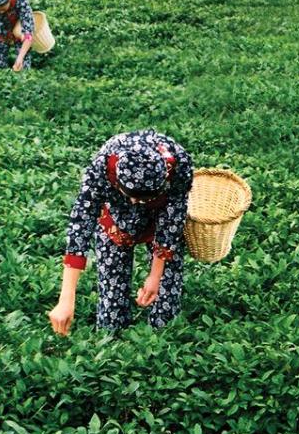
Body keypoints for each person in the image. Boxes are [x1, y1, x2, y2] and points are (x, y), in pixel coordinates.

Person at [49, 130, 194, 335]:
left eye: (145, 198)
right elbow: (80, 225)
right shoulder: (103, 165)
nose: (137, 203)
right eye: (133, 196)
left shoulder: (179, 163)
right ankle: (114, 337)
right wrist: (66, 298)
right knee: (111, 315)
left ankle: (161, 340)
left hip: (160, 222)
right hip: (116, 222)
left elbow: (173, 218)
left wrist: (155, 275)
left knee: (166, 311)